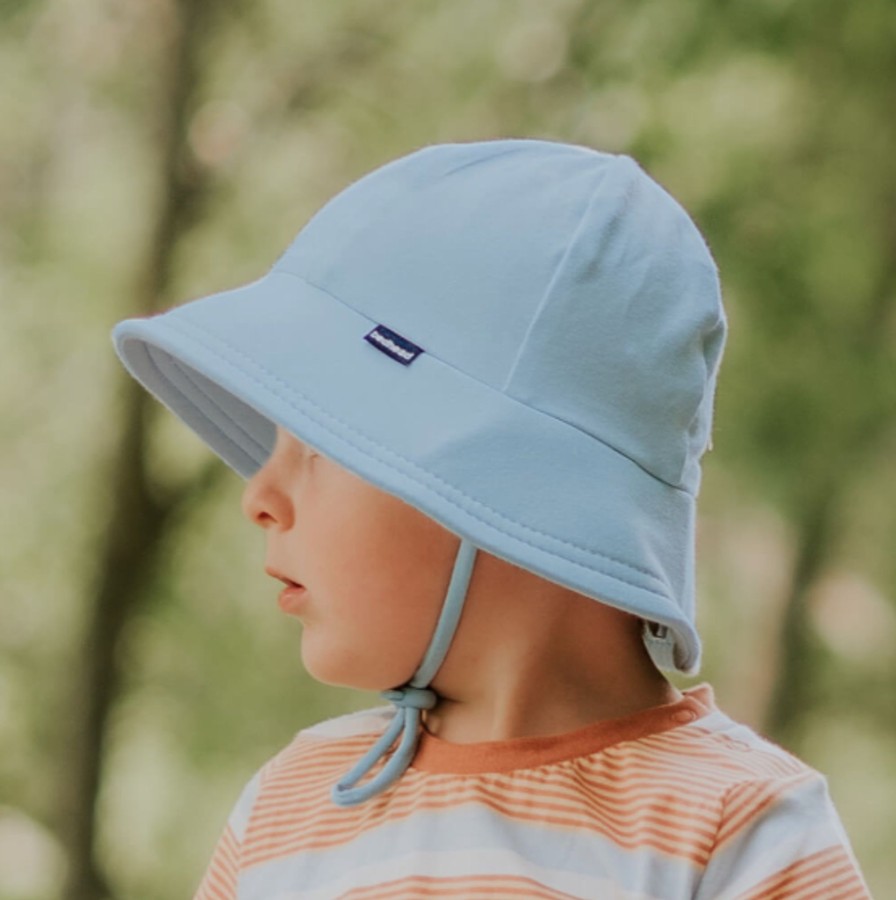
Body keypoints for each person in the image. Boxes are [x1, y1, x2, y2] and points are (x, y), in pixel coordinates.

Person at [111, 139, 870, 898]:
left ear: (501, 482)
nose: (258, 496)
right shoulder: (286, 813)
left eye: (317, 444)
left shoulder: (743, 831)